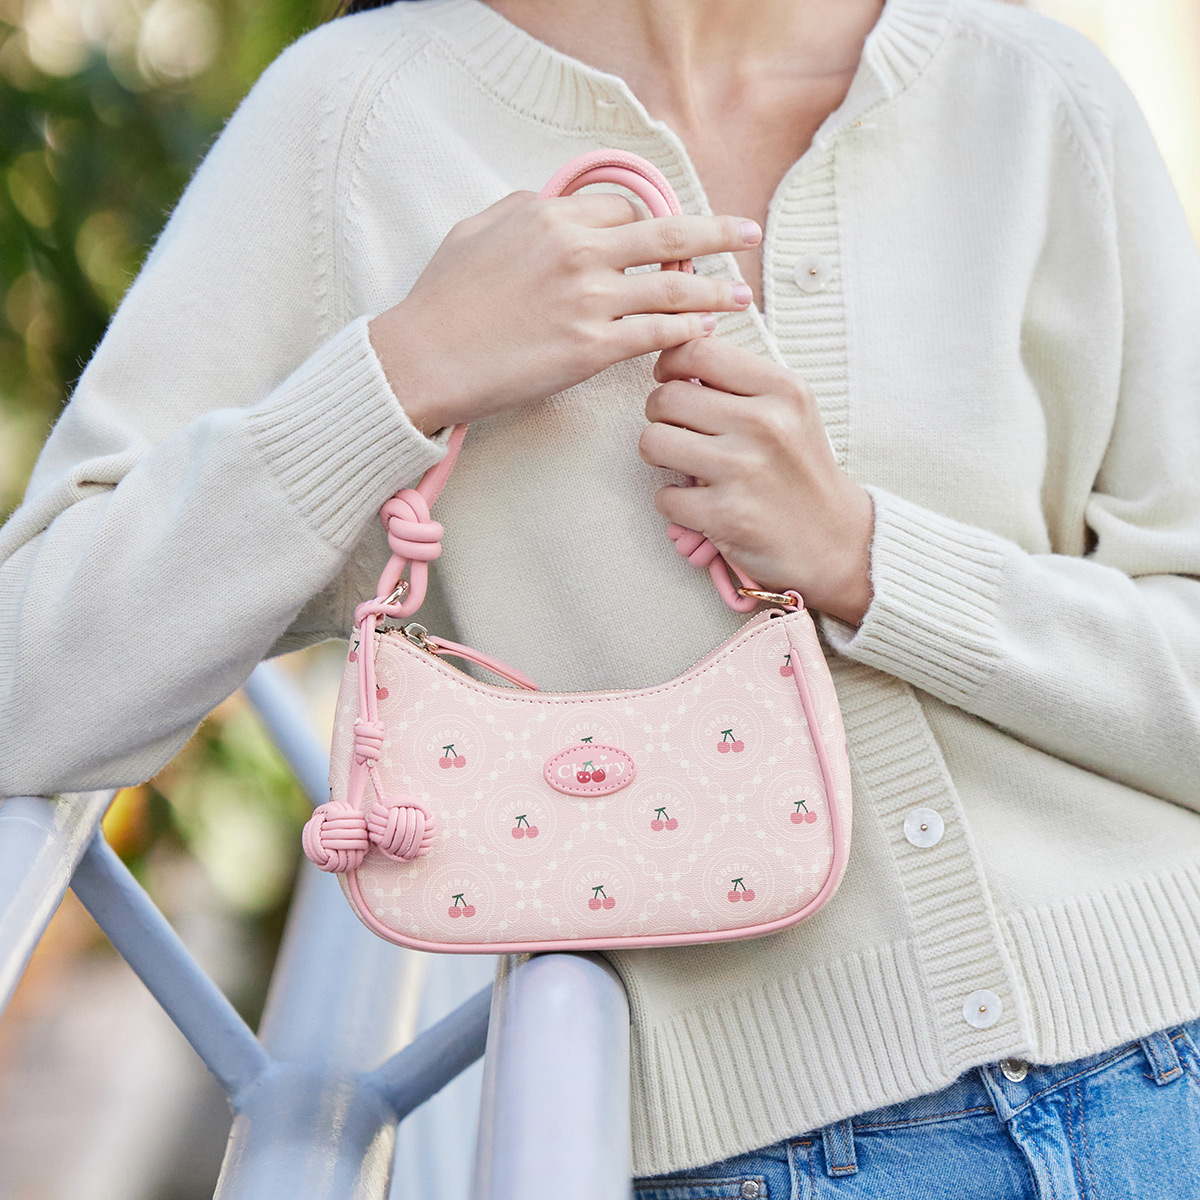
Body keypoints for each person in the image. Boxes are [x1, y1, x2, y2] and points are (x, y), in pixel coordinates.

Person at [2, 0, 1199, 1193]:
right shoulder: (355, 123)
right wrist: (402, 371)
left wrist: (864, 556)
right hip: (765, 1157)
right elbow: (29, 683)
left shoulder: (1031, 90)